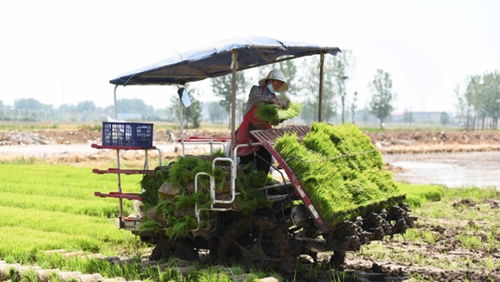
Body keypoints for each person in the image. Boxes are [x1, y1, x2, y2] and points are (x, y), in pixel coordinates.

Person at [235, 69, 289, 173]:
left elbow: (274, 121)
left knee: (265, 160)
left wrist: (282, 116)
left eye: (281, 83)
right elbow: (257, 98)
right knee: (246, 163)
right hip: (248, 131)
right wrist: (273, 101)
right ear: (271, 81)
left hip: (263, 133)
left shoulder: (275, 97)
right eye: (279, 82)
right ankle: (246, 183)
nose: (279, 85)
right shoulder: (256, 90)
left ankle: (262, 183)